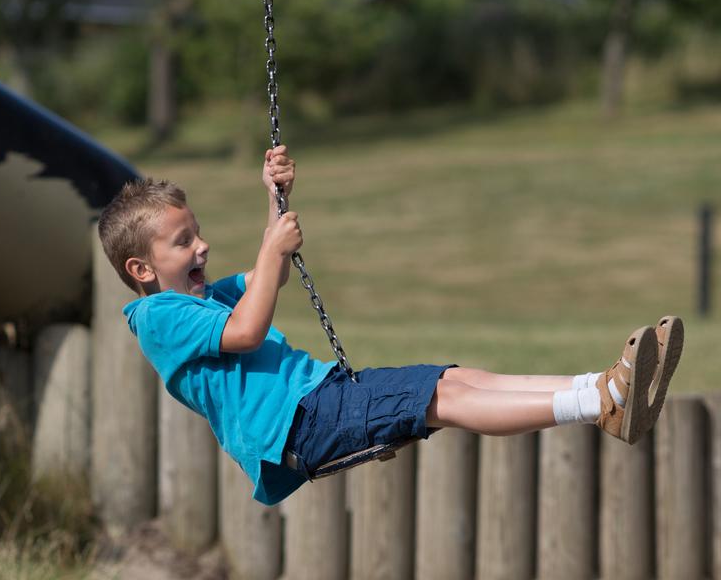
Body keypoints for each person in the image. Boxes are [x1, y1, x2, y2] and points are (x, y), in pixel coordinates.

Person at [97, 145, 684, 506]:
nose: (202, 244)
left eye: (197, 231)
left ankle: (601, 389)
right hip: (300, 425)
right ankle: (601, 402)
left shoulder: (200, 298)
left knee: (459, 379)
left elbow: (261, 274)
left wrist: (273, 198)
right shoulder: (158, 317)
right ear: (142, 268)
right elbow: (248, 330)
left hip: (322, 398)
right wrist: (274, 247)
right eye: (184, 241)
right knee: (446, 398)